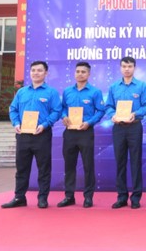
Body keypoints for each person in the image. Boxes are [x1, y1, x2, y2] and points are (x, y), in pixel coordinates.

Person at [2, 61, 62, 209]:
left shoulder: (51, 92)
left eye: (39, 70)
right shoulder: (22, 92)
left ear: (46, 73)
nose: (36, 73)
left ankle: (42, 198)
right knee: (22, 168)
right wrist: (16, 123)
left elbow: (57, 111)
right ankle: (19, 197)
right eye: (33, 70)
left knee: (44, 168)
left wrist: (45, 124)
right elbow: (13, 109)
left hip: (41, 134)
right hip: (23, 135)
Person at [105, 56, 146, 209]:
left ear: (134, 68)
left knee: (135, 162)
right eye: (124, 66)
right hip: (118, 128)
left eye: (130, 66)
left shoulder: (141, 86)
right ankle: (121, 196)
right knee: (120, 162)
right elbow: (108, 106)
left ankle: (136, 197)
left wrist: (135, 113)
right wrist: (112, 115)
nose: (127, 69)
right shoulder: (114, 87)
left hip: (134, 127)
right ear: (120, 68)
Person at [57, 61, 106, 208]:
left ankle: (88, 197)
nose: (80, 74)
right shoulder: (67, 91)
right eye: (77, 71)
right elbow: (62, 108)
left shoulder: (95, 92)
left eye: (83, 72)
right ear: (74, 73)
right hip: (70, 133)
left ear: (89, 74)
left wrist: (89, 123)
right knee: (69, 165)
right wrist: (64, 116)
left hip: (86, 132)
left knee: (88, 166)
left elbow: (101, 111)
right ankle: (69, 196)